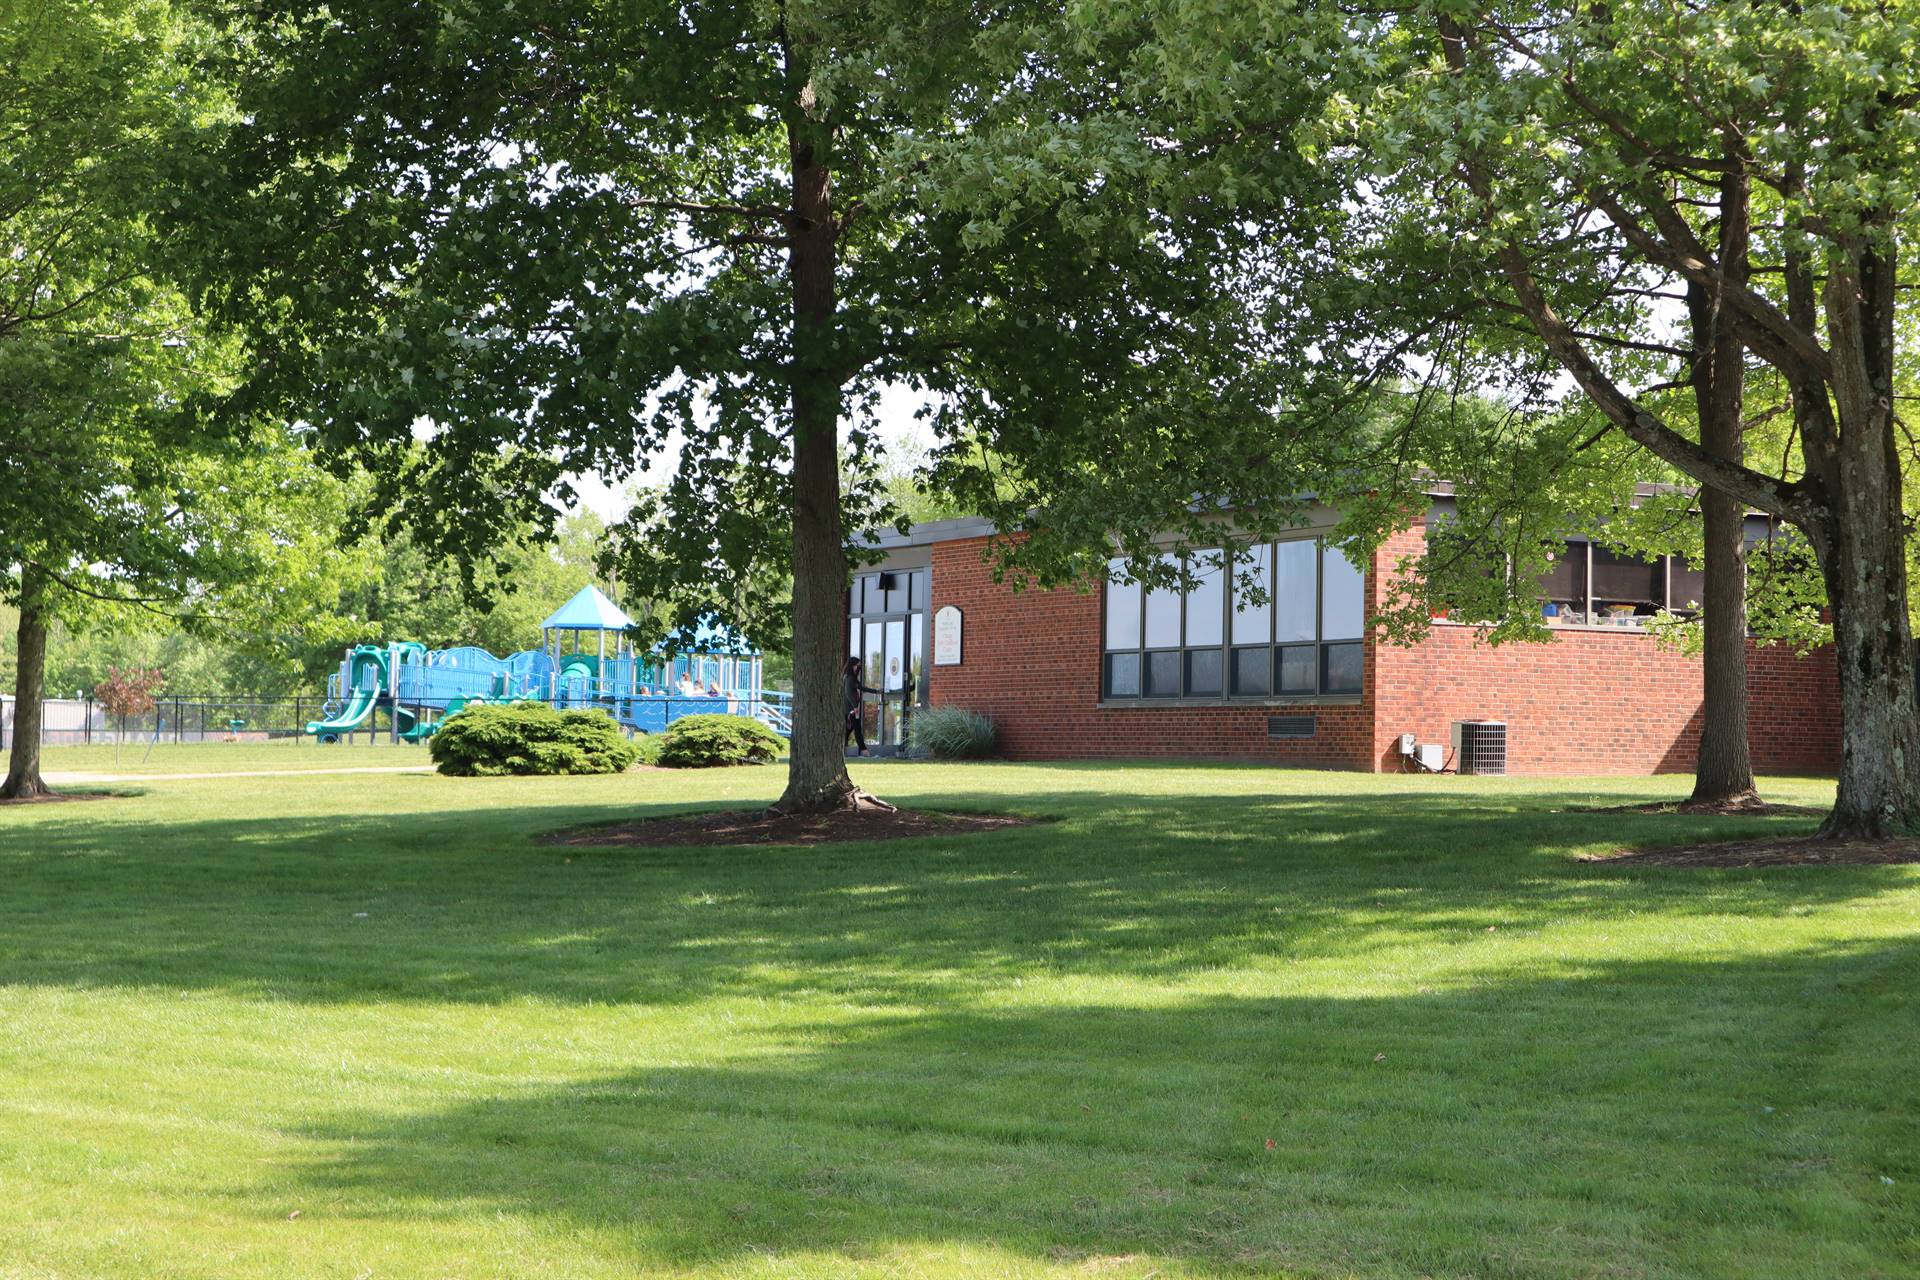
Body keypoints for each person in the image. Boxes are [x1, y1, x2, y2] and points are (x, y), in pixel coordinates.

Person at [843, 656, 878, 755]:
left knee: (849, 729)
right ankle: (864, 751)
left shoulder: (851, 678)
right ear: (853, 666)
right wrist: (855, 707)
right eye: (858, 665)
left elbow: (861, 687)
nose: (859, 668)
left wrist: (876, 691)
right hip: (851, 709)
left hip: (850, 709)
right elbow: (848, 693)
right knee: (856, 729)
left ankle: (838, 749)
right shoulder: (849, 678)